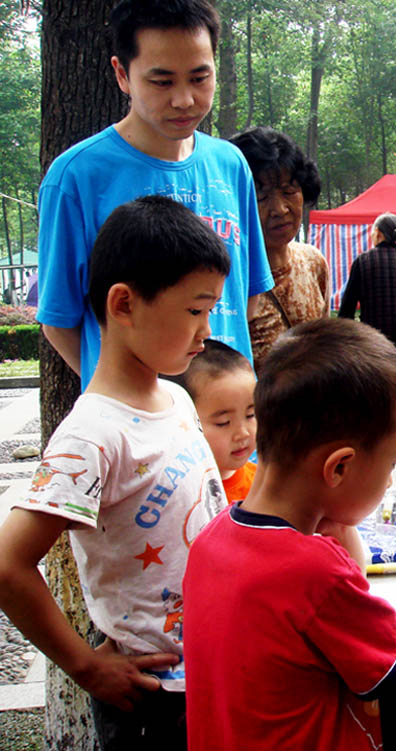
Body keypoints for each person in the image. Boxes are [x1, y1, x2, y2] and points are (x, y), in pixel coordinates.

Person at [0, 196, 231, 750]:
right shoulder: (93, 435)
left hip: (214, 671)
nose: (206, 330)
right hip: (154, 700)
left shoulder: (176, 399)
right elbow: (8, 564)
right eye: (195, 310)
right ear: (124, 304)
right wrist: (85, 666)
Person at [183, 317, 396, 750]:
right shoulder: (314, 570)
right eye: (392, 464)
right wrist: (344, 543)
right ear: (339, 467)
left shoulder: (212, 538)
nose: (388, 481)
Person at [36, 0, 273, 390]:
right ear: (122, 75)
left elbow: (247, 296)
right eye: (162, 82)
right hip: (136, 433)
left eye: (199, 78)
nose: (184, 99)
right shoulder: (77, 176)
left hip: (225, 429)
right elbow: (59, 322)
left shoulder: (231, 166)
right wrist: (132, 396)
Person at [230, 126, 332, 366]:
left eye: (288, 191)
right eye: (261, 197)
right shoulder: (226, 279)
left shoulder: (313, 262)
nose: (280, 209)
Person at [338, 212, 396, 368]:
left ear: (378, 233)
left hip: (373, 344)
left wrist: (346, 337)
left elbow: (348, 306)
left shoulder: (363, 261)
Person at [170, 339, 257, 504]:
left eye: (250, 415)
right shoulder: (178, 497)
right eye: (223, 422)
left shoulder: (262, 487)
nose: (243, 433)